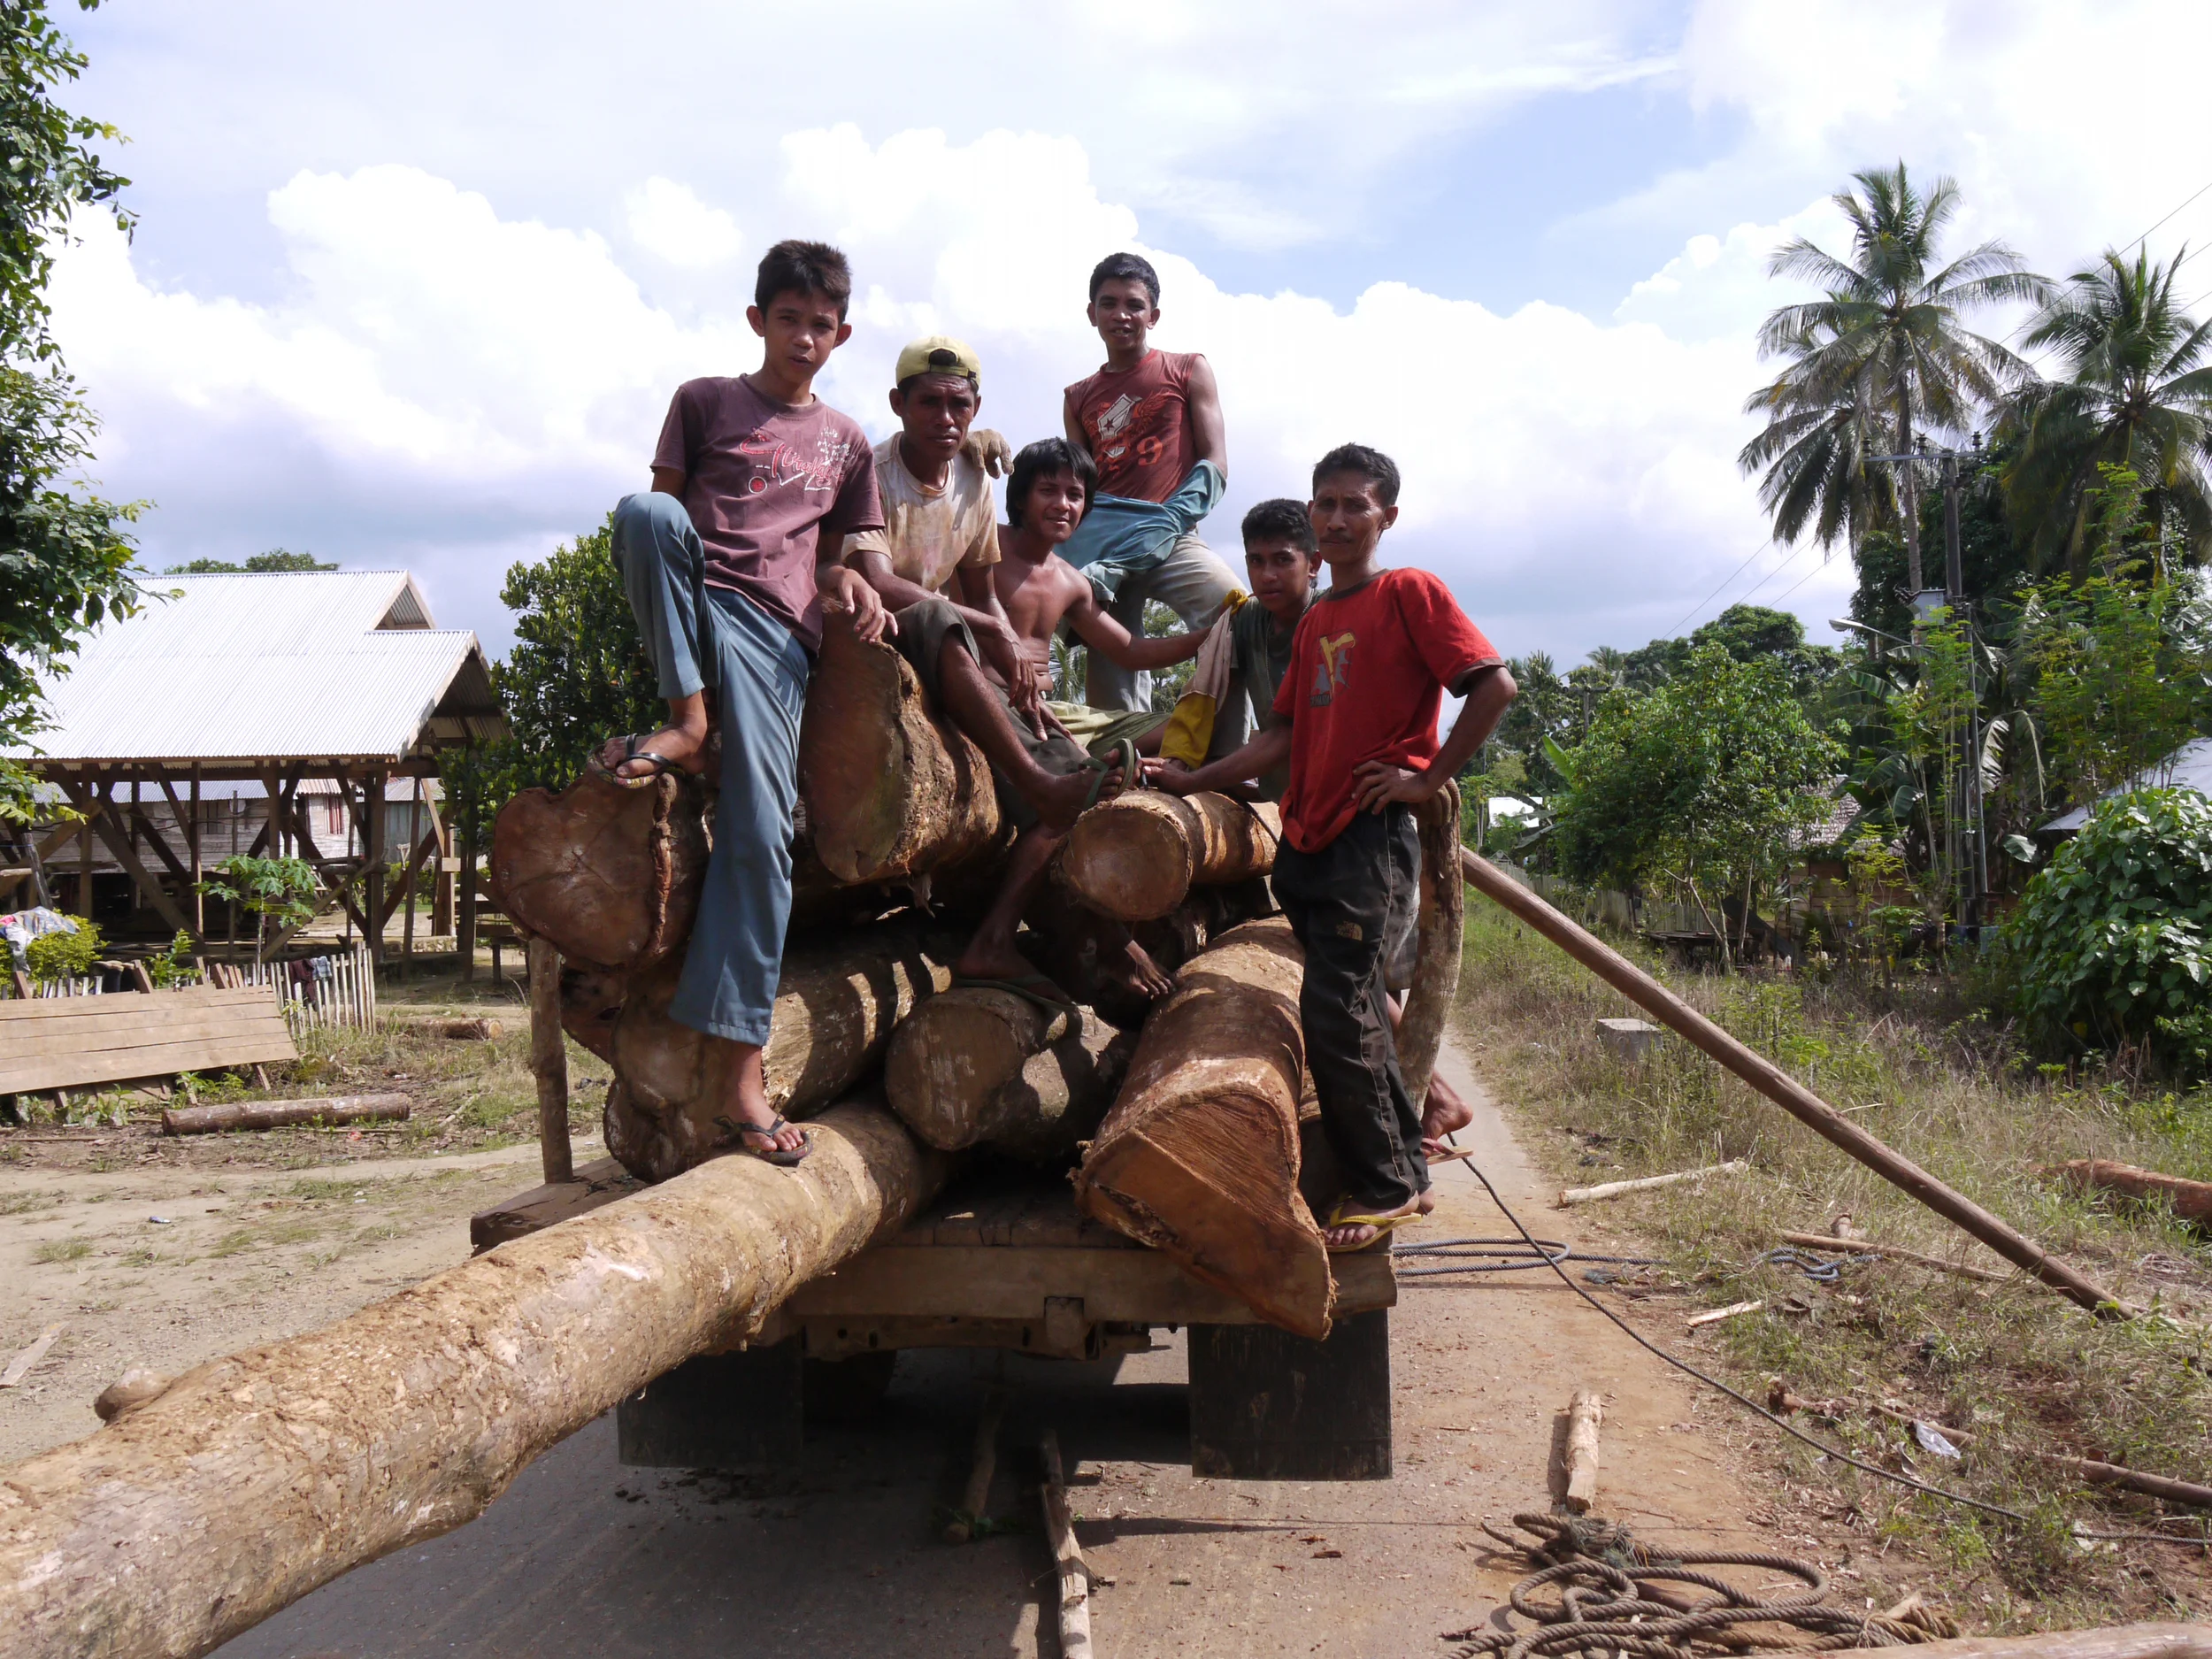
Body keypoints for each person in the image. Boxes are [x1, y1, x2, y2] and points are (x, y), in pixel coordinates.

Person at [1166, 444, 1516, 1251]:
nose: (1336, 518)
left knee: (1339, 1009)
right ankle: (1408, 1170)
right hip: (1308, 835)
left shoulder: (1410, 593)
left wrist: (1426, 778)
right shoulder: (1320, 617)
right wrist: (1198, 782)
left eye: (1355, 505)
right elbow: (1279, 732)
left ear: (1386, 516)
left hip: (1368, 835)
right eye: (1325, 504)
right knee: (1342, 1009)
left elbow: (1493, 684)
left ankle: (1386, 1184)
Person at [595, 239, 891, 1167]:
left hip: (772, 631)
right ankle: (687, 719)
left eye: (822, 324)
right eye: (789, 319)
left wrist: (856, 582)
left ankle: (738, 1075)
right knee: (643, 516)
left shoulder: (846, 441)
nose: (805, 338)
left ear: (841, 334)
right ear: (757, 319)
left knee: (763, 836)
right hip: (694, 601)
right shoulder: (704, 402)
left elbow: (851, 551)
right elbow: (663, 522)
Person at [836, 337, 1138, 999]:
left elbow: (983, 589)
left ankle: (1004, 938)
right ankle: (1031, 778)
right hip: (871, 636)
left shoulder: (973, 478)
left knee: (1076, 774)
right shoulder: (872, 470)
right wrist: (989, 626)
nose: (945, 418)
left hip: (944, 638)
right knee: (936, 617)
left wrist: (1011, 664)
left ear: (975, 411)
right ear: (899, 405)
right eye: (929, 403)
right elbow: (881, 584)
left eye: (958, 405)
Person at [959, 436, 1212, 1007]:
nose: (1064, 504)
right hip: (996, 703)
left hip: (1063, 713)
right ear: (1019, 497)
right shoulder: (984, 550)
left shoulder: (1071, 579)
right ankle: (1091, 935)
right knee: (1077, 790)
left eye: (1075, 495)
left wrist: (1209, 635)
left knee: (1185, 729)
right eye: (1048, 490)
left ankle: (1140, 800)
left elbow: (1128, 649)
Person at [1060, 252, 1247, 749]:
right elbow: (1079, 487)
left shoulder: (1187, 369)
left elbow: (1216, 464)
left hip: (1174, 531)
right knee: (1112, 672)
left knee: (1236, 614)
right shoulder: (1078, 396)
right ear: (1092, 313)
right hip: (1105, 553)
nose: (1122, 314)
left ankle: (1231, 760)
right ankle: (1127, 778)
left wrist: (1171, 519)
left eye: (1134, 305)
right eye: (1109, 303)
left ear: (1153, 315)